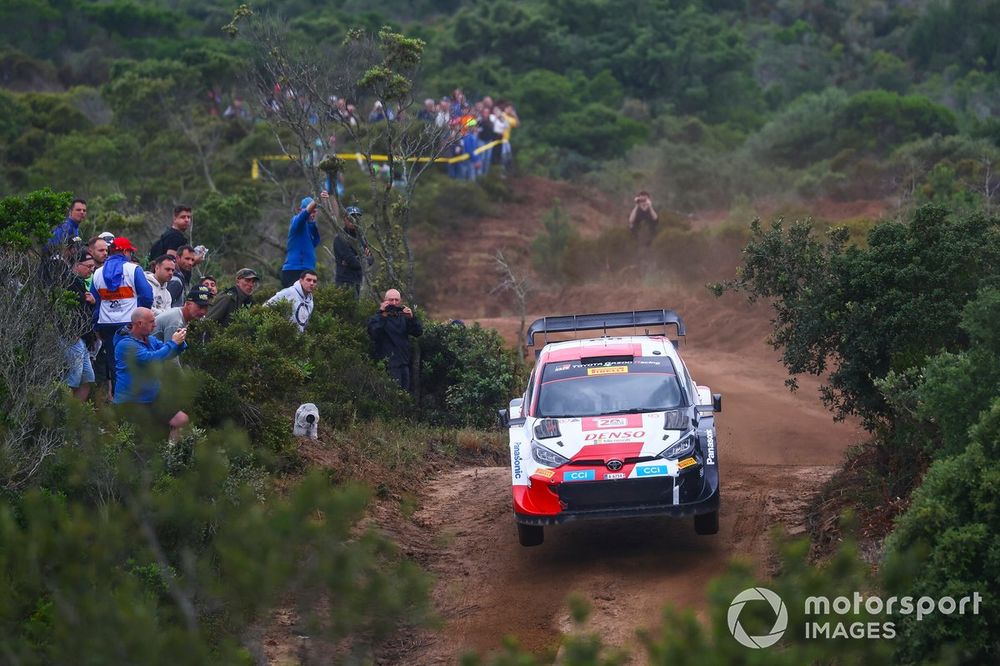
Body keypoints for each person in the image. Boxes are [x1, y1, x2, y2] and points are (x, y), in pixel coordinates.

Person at [113, 307, 189, 440]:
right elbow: (150, 359)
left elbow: (168, 353)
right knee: (140, 443)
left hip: (152, 398)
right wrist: (173, 343)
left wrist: (180, 342)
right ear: (140, 324)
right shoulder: (125, 345)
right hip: (131, 402)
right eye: (151, 322)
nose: (155, 325)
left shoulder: (150, 340)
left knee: (181, 420)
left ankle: (170, 457)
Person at [90, 237, 153, 395]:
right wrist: (142, 320)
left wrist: (96, 326)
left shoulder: (97, 273)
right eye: (130, 252)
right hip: (130, 325)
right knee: (135, 364)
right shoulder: (133, 269)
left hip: (107, 326)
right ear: (125, 251)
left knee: (115, 365)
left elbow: (94, 302)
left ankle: (118, 404)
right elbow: (146, 295)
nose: (131, 255)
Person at [367, 288, 423, 391]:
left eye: (396, 300)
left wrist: (411, 318)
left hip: (404, 364)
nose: (394, 303)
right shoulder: (377, 318)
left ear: (400, 301)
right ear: (385, 301)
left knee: (405, 396)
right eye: (391, 300)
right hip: (388, 366)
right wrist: (382, 315)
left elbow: (418, 332)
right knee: (392, 397)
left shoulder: (404, 317)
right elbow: (374, 333)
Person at [64, 251, 97, 401]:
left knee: (88, 379)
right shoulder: (68, 281)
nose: (91, 269)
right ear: (77, 265)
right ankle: (65, 413)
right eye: (88, 266)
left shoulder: (80, 282)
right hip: (71, 335)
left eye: (93, 267)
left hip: (82, 336)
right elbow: (65, 309)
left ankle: (76, 414)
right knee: (74, 377)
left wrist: (92, 302)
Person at [280, 192, 328, 288]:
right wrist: (317, 200)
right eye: (311, 211)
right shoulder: (296, 222)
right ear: (300, 210)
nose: (312, 214)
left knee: (306, 301)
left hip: (308, 270)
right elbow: (304, 214)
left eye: (314, 212)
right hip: (294, 270)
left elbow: (315, 242)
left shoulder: (312, 227)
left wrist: (324, 202)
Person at [333, 206, 373, 297]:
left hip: (358, 282)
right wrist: (363, 257)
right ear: (345, 219)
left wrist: (358, 259)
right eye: (351, 217)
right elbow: (353, 262)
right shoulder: (340, 238)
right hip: (344, 283)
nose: (353, 219)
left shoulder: (361, 237)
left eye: (356, 217)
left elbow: (372, 259)